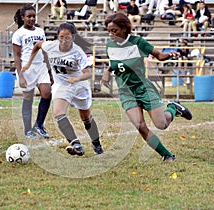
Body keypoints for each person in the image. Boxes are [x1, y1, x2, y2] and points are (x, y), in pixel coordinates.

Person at [101, 13, 192, 161]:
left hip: (143, 88)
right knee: (139, 125)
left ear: (124, 28)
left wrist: (171, 54)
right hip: (126, 91)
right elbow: (115, 63)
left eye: (114, 30)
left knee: (161, 124)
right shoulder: (109, 45)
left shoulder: (138, 42)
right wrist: (107, 71)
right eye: (109, 31)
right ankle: (167, 155)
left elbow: (159, 55)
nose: (111, 34)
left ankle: (173, 108)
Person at [22, 23, 104, 156]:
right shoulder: (50, 46)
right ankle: (76, 144)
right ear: (57, 37)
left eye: (68, 38)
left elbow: (87, 73)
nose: (64, 41)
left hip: (79, 86)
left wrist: (76, 79)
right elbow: (37, 44)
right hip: (62, 85)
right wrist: (28, 62)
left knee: (86, 117)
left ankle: (97, 145)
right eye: (61, 38)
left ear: (73, 38)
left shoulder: (78, 52)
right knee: (58, 113)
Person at [12, 5, 52, 139]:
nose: (32, 18)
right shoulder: (18, 34)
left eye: (34, 16)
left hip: (40, 67)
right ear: (23, 18)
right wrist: (20, 76)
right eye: (29, 16)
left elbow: (44, 50)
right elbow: (17, 56)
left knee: (47, 93)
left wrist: (50, 70)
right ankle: (27, 130)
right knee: (28, 98)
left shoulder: (40, 31)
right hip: (26, 68)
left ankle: (39, 125)